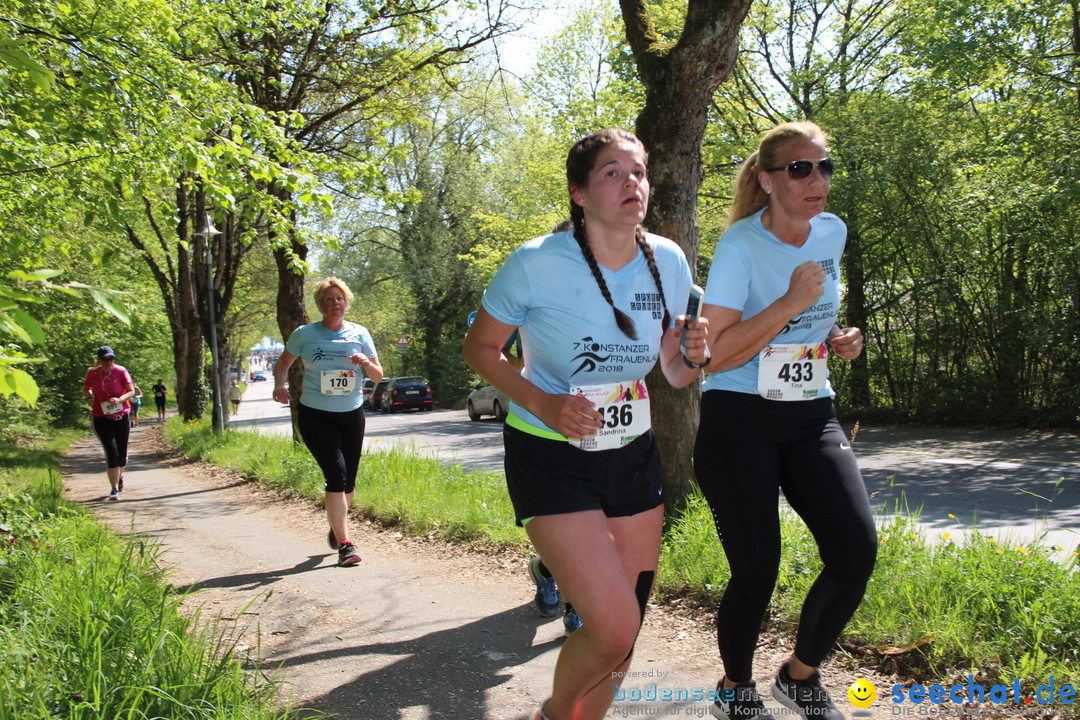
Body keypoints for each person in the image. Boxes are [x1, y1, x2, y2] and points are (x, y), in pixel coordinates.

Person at [463, 128, 710, 720]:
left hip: (632, 454)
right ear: (579, 191)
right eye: (612, 173)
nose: (633, 183)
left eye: (639, 172)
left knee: (627, 625)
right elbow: (480, 349)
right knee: (613, 621)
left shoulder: (668, 260)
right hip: (550, 454)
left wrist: (696, 353)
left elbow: (674, 371)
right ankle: (555, 713)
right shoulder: (536, 263)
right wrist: (545, 404)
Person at [693, 120, 877, 720]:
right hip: (739, 418)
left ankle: (799, 676)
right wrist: (790, 304)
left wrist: (836, 336)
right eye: (801, 168)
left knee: (855, 552)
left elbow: (817, 315)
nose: (817, 179)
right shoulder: (742, 245)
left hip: (810, 412)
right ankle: (735, 689)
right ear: (769, 180)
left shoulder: (832, 231)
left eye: (824, 166)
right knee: (757, 569)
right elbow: (716, 353)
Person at [273, 276, 383, 567]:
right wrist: (279, 385)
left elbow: (377, 376)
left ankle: (337, 527)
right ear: (321, 306)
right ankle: (345, 544)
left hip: (352, 413)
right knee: (336, 474)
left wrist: (367, 363)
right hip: (315, 414)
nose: (335, 304)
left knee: (349, 481)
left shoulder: (359, 333)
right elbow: (283, 362)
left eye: (339, 299)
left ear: (346, 303)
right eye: (329, 299)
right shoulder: (304, 334)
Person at [83, 346, 136, 500]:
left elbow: (131, 391)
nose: (109, 362)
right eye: (105, 359)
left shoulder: (120, 371)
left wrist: (119, 399)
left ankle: (119, 476)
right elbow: (86, 388)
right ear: (98, 360)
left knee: (122, 453)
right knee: (111, 452)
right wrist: (89, 398)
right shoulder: (92, 373)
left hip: (121, 416)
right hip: (101, 417)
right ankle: (114, 489)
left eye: (111, 359)